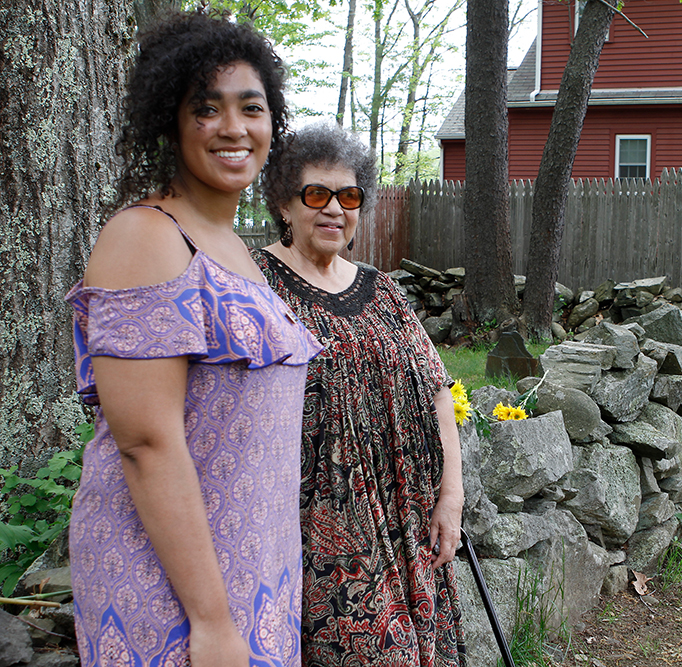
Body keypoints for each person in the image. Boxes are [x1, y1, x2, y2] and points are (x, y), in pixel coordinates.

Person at [65, 10, 322, 667]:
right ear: (171, 123)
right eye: (206, 108)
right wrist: (210, 620)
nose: (234, 128)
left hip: (252, 578)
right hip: (173, 595)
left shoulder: (235, 248)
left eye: (251, 107)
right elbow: (147, 444)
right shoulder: (146, 238)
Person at [252, 123, 466, 667]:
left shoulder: (383, 288)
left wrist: (451, 497)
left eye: (348, 196)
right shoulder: (255, 284)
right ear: (282, 201)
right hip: (319, 527)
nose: (333, 210)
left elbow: (439, 392)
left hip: (406, 514)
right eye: (316, 194)